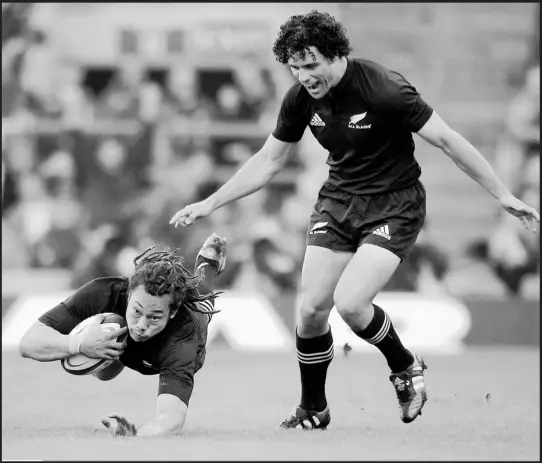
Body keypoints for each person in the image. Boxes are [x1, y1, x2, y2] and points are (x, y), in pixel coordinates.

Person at [170, 10, 540, 429]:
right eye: (294, 67)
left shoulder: (384, 89)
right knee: (310, 310)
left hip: (395, 204)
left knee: (350, 304)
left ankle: (405, 368)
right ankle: (314, 408)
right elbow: (270, 161)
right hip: (339, 201)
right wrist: (212, 202)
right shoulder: (299, 99)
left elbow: (449, 141)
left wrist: (504, 194)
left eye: (311, 65)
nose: (304, 76)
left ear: (335, 55)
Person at [19, 233, 227, 437]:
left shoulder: (183, 339)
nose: (141, 326)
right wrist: (78, 344)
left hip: (176, 338)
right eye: (136, 311)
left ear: (171, 313)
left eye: (154, 317)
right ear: (128, 293)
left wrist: (134, 434)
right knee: (104, 374)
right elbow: (28, 343)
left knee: (202, 301)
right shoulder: (104, 292)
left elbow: (171, 420)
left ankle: (207, 263)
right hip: (120, 346)